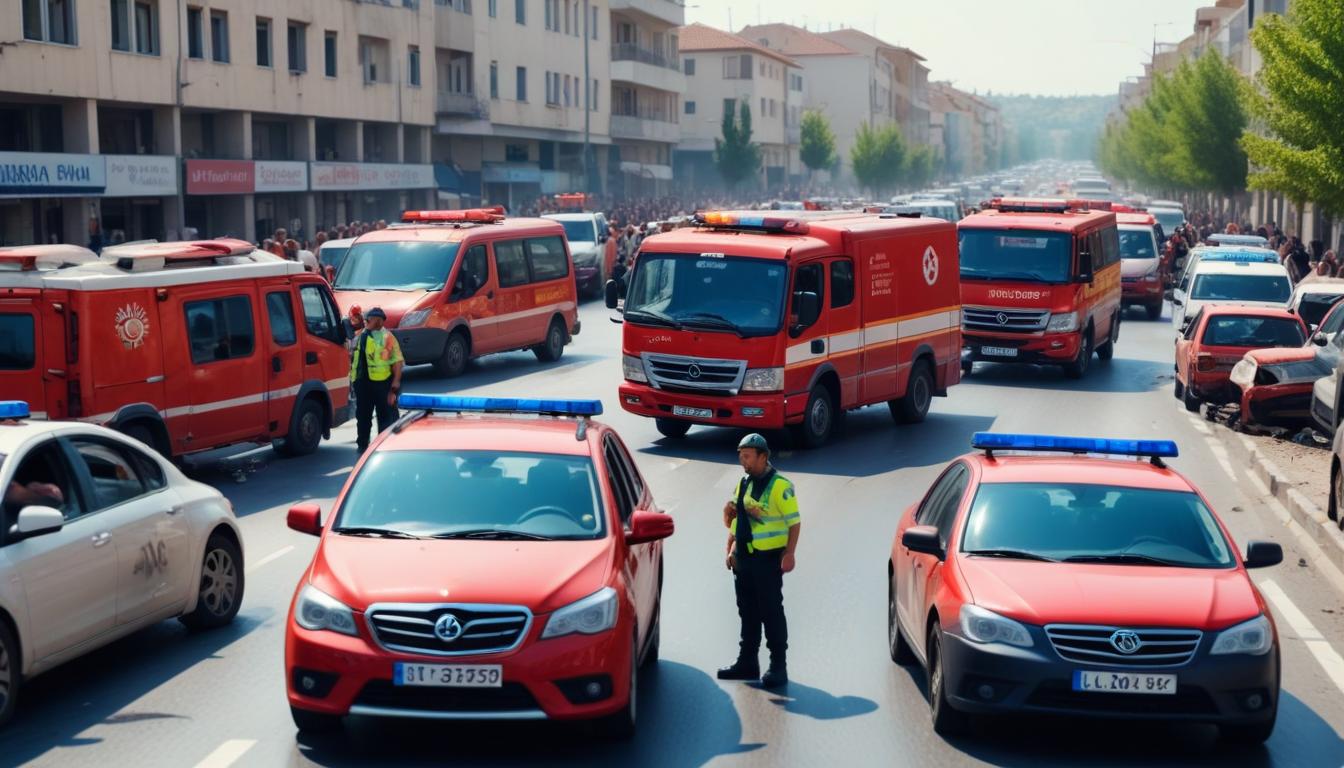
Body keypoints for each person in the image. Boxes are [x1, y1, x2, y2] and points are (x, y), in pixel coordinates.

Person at [718, 433, 801, 689]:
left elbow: (794, 523)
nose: (743, 461)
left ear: (763, 457)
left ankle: (778, 666)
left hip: (767, 562)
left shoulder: (780, 486)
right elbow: (736, 518)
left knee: (771, 613)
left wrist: (789, 553)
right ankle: (747, 663)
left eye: (748, 456)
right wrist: (730, 546)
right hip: (743, 560)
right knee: (747, 613)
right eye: (741, 456)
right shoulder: (743, 483)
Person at [349, 307, 403, 454]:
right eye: (367, 319)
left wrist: (394, 386)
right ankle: (362, 446)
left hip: (382, 384)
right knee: (363, 416)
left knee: (385, 417)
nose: (367, 322)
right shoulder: (361, 335)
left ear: (379, 321)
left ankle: (384, 447)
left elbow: (397, 361)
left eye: (370, 319)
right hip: (362, 384)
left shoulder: (387, 337)